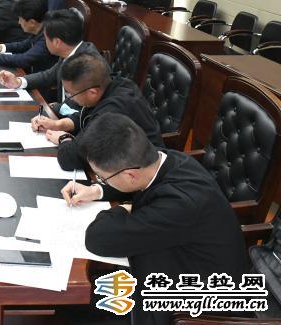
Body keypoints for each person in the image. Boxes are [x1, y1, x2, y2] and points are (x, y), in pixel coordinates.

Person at [61, 114, 249, 325]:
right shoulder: (166, 159)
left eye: (103, 178)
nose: (103, 181)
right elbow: (131, 184)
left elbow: (97, 238)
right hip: (171, 262)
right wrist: (96, 190)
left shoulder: (180, 204)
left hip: (194, 305)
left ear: (130, 175)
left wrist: (124, 207)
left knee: (72, 309)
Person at [31, 52, 163, 171]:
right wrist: (58, 124)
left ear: (92, 92)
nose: (70, 99)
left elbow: (70, 159)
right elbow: (90, 113)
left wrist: (63, 138)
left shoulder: (112, 111)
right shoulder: (113, 83)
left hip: (140, 170)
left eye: (71, 94)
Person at [0, 9, 101, 107]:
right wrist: (18, 82)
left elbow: (84, 106)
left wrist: (59, 108)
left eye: (46, 38)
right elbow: (49, 76)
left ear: (57, 42)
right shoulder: (70, 51)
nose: (45, 41)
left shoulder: (88, 64)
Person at [0, 0, 57, 73]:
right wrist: (2, 47)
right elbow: (24, 45)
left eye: (20, 19)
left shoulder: (47, 36)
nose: (19, 22)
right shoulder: (40, 27)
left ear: (32, 22)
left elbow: (24, 60)